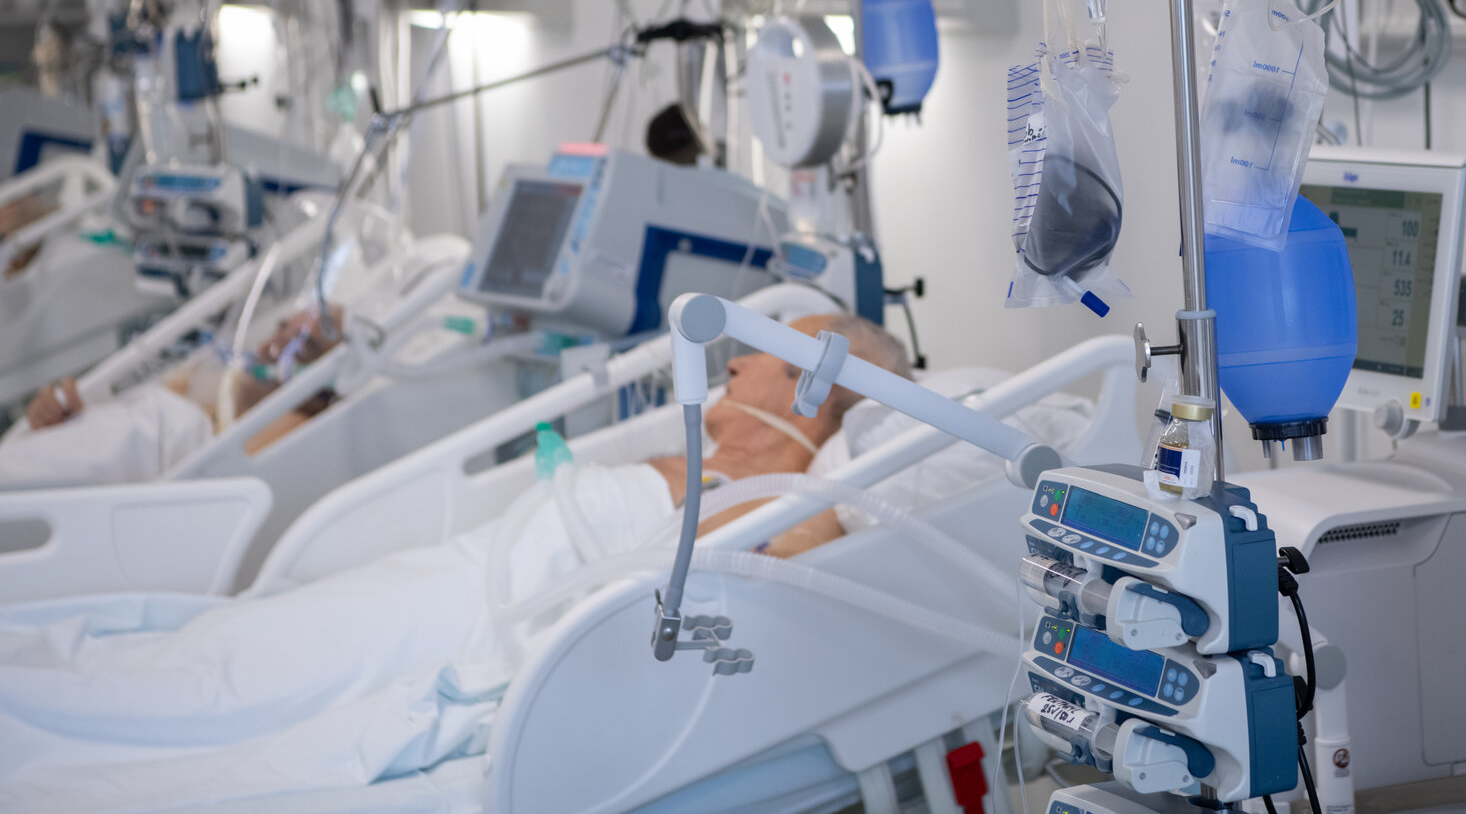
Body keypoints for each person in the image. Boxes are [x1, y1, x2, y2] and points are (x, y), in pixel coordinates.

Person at [0, 313, 910, 812]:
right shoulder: (705, 458)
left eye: (767, 350)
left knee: (217, 696)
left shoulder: (785, 501)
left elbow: (798, 569)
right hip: (445, 579)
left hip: (472, 621)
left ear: (815, 384)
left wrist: (821, 492)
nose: (739, 358)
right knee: (213, 657)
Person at [0, 304, 345, 486]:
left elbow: (208, 467)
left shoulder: (297, 425)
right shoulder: (208, 382)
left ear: (323, 390)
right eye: (282, 329)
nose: (275, 348)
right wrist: (68, 411)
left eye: (303, 349)